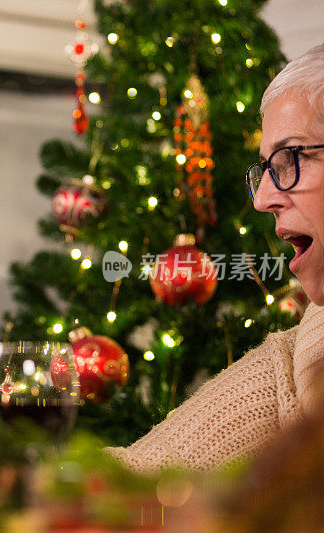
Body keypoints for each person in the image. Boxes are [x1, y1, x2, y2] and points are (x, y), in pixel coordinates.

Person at [107, 43, 324, 473]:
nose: (262, 199)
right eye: (265, 169)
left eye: (290, 158)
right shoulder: (305, 346)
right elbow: (140, 473)